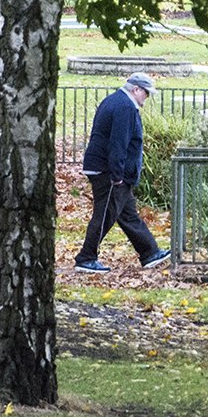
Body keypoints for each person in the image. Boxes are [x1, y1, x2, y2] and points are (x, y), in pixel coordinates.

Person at [74, 73, 170, 273]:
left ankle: (150, 252)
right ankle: (86, 257)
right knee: (104, 215)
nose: (146, 98)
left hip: (106, 168)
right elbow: (118, 143)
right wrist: (117, 176)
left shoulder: (115, 101)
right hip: (108, 172)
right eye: (146, 93)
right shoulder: (125, 107)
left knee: (128, 214)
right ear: (136, 89)